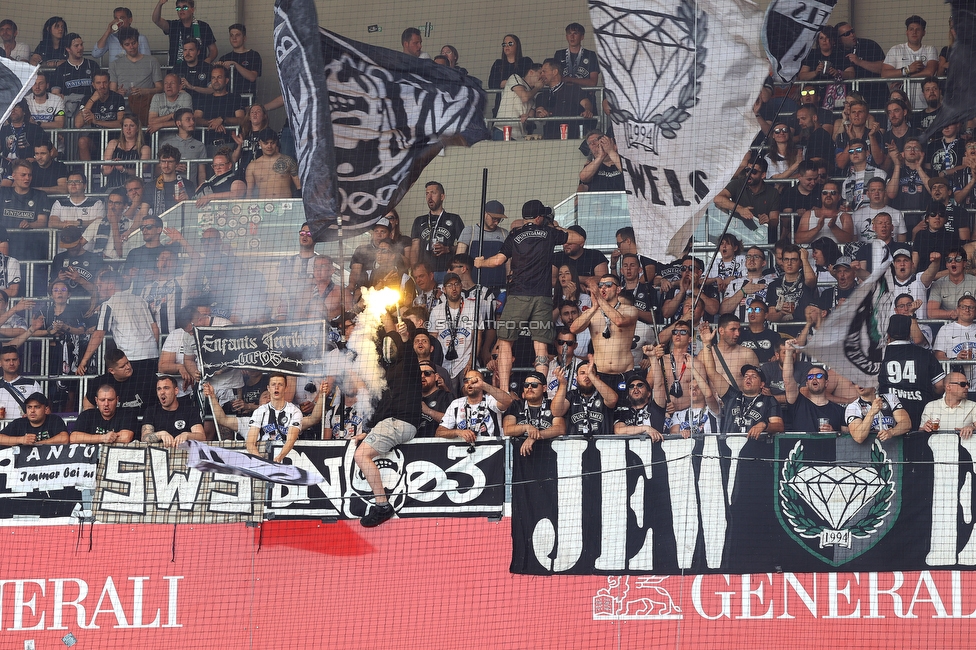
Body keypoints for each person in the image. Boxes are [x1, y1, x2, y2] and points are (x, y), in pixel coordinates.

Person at [475, 200, 583, 394]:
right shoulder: (550, 233)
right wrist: (556, 227)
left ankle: (506, 390)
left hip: (517, 296)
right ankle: (540, 389)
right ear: (540, 217)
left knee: (506, 341)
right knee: (541, 346)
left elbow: (498, 261)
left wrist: (481, 263)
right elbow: (579, 238)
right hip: (542, 297)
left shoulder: (515, 234)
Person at [354, 316, 422, 527]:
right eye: (385, 345)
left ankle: (382, 505)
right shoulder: (386, 373)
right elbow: (383, 407)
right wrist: (370, 432)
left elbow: (410, 355)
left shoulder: (408, 365)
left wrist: (405, 339)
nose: (387, 348)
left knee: (361, 455)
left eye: (392, 345)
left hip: (400, 422)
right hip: (393, 423)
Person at [77, 270, 159, 386]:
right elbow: (155, 328)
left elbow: (98, 334)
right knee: (149, 394)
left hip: (129, 360)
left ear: (110, 285)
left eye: (100, 286)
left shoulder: (109, 304)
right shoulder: (141, 300)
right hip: (152, 356)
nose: (98, 289)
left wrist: (84, 361)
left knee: (131, 397)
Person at [569, 274, 638, 391]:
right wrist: (594, 308)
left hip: (624, 373)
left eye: (608, 285)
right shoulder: (593, 312)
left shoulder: (630, 309)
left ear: (618, 289)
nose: (603, 288)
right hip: (600, 374)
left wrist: (599, 299)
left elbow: (619, 321)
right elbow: (574, 329)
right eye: (600, 286)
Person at [878, 314, 946, 429]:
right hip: (921, 414)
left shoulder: (878, 355)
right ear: (910, 333)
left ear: (888, 334)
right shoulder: (924, 354)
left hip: (889, 416)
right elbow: (940, 386)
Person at [429, 272, 493, 391]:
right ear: (443, 289)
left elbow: (478, 337)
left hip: (466, 362)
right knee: (446, 395)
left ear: (461, 286)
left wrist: (471, 361)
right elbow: (433, 341)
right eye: (449, 285)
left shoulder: (473, 307)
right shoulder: (436, 311)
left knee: (469, 389)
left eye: (456, 284)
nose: (453, 288)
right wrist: (435, 366)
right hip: (444, 364)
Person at [782, 340, 847, 433]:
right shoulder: (798, 403)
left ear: (826, 383)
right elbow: (788, 381)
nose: (814, 379)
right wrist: (788, 352)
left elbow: (847, 440)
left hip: (827, 447)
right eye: (810, 377)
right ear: (807, 383)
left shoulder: (839, 410)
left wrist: (834, 433)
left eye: (819, 376)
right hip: (802, 447)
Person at [714, 157, 780, 244]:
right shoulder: (737, 184)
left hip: (761, 239)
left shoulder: (772, 192)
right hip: (736, 237)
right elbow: (717, 198)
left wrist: (768, 221)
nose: (749, 174)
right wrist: (740, 209)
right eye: (747, 170)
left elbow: (775, 221)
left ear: (763, 175)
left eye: (753, 171)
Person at [436, 369, 513, 441]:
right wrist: (458, 432)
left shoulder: (490, 400)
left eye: (474, 381)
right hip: (463, 450)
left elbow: (508, 400)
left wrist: (483, 385)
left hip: (491, 449)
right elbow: (439, 433)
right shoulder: (456, 404)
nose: (469, 383)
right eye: (466, 381)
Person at [881, 16, 939, 111]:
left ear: (924, 32)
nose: (914, 32)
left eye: (918, 29)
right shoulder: (896, 49)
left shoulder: (930, 49)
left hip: (924, 106)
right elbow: (884, 74)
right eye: (911, 29)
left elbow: (930, 72)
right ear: (907, 32)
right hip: (900, 108)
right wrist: (907, 69)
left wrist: (905, 77)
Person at [503, 370, 566, 455]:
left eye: (534, 385)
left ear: (544, 388)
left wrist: (535, 436)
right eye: (526, 385)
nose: (529, 388)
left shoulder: (551, 405)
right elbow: (507, 430)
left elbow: (560, 428)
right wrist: (526, 427)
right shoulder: (516, 405)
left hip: (547, 457)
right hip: (520, 459)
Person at [409, 181, 463, 280]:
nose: (429, 197)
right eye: (427, 194)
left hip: (446, 271)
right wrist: (414, 272)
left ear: (442, 197)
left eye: (433, 193)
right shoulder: (419, 220)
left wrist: (448, 249)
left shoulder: (454, 219)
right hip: (425, 273)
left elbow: (464, 247)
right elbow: (415, 249)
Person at [108, 28, 162, 124]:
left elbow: (160, 88)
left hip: (146, 107)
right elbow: (111, 91)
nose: (131, 47)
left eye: (133, 43)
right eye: (127, 44)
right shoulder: (115, 64)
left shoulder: (152, 61)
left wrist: (145, 91)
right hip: (123, 108)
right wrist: (117, 93)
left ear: (138, 42)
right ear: (122, 46)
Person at [245, 371, 302, 459]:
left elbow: (291, 440)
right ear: (268, 388)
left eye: (280, 384)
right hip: (264, 454)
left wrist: (279, 458)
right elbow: (250, 443)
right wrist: (261, 460)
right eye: (273, 384)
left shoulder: (295, 411)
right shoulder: (259, 411)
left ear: (286, 388)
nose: (276, 387)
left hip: (288, 456)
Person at [552, 361, 618, 436]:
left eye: (591, 373)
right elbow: (556, 412)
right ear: (577, 378)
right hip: (574, 444)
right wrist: (563, 384)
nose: (587, 376)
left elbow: (612, 400)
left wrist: (592, 377)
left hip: (601, 444)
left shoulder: (604, 395)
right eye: (582, 373)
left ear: (597, 377)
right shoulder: (572, 395)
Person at [534, 58, 594, 140]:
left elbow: (586, 103)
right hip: (548, 140)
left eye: (544, 71)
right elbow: (538, 112)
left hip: (572, 139)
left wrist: (587, 110)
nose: (541, 75)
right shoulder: (541, 96)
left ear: (555, 72)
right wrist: (539, 114)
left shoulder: (572, 89)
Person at [75, 71, 125, 162]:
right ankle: (87, 174)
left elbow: (121, 123)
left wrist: (97, 121)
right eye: (98, 83)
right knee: (82, 141)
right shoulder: (87, 98)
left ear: (109, 83)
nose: (102, 86)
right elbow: (78, 124)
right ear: (93, 85)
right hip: (95, 137)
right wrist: (92, 100)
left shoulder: (117, 98)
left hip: (115, 137)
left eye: (105, 82)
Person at [836, 22, 887, 110]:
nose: (852, 35)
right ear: (839, 39)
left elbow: (884, 68)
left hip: (875, 97)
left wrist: (859, 62)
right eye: (847, 34)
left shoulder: (870, 45)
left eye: (852, 31)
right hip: (847, 102)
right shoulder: (836, 52)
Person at [141, 375, 205, 445]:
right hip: (159, 454)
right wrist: (160, 434)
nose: (162, 392)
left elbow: (201, 436)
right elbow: (144, 438)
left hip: (185, 453)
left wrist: (187, 435)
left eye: (166, 388)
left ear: (176, 391)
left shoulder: (189, 410)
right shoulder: (151, 411)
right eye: (159, 389)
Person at [193, 67, 245, 151]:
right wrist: (212, 123)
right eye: (213, 78)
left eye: (219, 77)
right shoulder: (203, 98)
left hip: (230, 144)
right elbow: (195, 119)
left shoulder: (235, 97)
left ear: (226, 80)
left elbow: (241, 119)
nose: (216, 80)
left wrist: (222, 119)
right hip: (206, 145)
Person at [152, 0, 217, 66]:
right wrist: (160, 4)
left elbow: (213, 50)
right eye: (178, 8)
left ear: (192, 10)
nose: (181, 10)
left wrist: (206, 62)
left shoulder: (203, 26)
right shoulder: (173, 25)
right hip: (176, 70)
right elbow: (156, 20)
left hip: (199, 69)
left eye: (185, 7)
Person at [846, 382, 912, 443]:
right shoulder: (853, 407)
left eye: (863, 381)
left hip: (893, 449)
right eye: (855, 382)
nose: (859, 385)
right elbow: (858, 437)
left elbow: (906, 423)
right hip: (868, 451)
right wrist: (872, 412)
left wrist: (891, 432)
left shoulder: (890, 398)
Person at [70, 384, 137, 444]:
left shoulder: (127, 413)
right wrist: (103, 438)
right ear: (96, 400)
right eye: (102, 400)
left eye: (110, 400)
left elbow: (126, 437)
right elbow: (73, 438)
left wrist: (91, 438)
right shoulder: (87, 415)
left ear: (117, 400)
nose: (106, 404)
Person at [101, 114, 151, 191]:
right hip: (113, 187)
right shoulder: (113, 143)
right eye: (125, 126)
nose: (128, 129)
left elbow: (141, 171)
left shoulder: (144, 148)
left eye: (132, 126)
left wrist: (123, 169)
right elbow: (104, 170)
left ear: (137, 128)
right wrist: (106, 171)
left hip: (133, 190)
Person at [612, 369, 667, 440]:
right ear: (628, 395)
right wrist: (646, 428)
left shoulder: (655, 407)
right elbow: (618, 431)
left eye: (640, 385)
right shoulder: (623, 412)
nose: (635, 388)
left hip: (655, 449)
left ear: (649, 393)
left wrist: (653, 359)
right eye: (631, 386)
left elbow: (660, 385)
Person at [934, 295, 976, 387]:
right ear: (957, 309)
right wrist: (956, 360)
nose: (967, 310)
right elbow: (938, 357)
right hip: (955, 385)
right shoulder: (945, 329)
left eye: (971, 307)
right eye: (963, 307)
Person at [159, 108, 206, 189]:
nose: (192, 122)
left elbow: (202, 173)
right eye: (188, 119)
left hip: (191, 190)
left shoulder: (200, 145)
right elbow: (157, 170)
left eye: (193, 119)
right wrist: (172, 167)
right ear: (178, 123)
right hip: (168, 189)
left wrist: (200, 190)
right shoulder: (166, 144)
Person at [50, 226, 103, 298]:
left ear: (81, 239)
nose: (71, 249)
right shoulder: (59, 258)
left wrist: (80, 280)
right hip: (64, 306)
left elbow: (100, 292)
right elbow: (49, 290)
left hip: (88, 305)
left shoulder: (95, 258)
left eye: (73, 246)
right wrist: (58, 279)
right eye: (68, 246)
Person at [245, 129, 299, 199]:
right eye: (266, 143)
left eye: (272, 143)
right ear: (259, 143)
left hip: (285, 206)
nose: (269, 146)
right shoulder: (252, 166)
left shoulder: (288, 161)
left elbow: (299, 187)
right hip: (263, 206)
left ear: (276, 142)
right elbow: (249, 194)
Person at [920, 371, 976, 437]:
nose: (967, 387)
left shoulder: (973, 406)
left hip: (963, 446)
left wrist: (973, 428)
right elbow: (920, 434)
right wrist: (924, 429)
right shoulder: (931, 406)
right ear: (948, 387)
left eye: (968, 384)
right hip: (936, 446)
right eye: (962, 384)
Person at [0, 393, 68, 446]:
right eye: (29, 407)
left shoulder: (54, 420)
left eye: (37, 407)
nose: (32, 410)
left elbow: (65, 438)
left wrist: (39, 443)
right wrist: (21, 440)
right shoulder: (19, 423)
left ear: (46, 409)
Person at [852, 178, 907, 244]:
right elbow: (853, 242)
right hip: (865, 253)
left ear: (885, 193)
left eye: (880, 190)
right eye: (873, 190)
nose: (876, 193)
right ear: (867, 194)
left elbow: (901, 244)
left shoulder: (897, 213)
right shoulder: (856, 215)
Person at [0, 159, 49, 229]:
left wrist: (30, 225)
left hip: (30, 239)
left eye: (30, 175)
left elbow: (42, 222)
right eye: (23, 175)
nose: (27, 178)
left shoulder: (40, 196)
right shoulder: (3, 193)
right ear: (14, 176)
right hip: (4, 238)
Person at [0, 101, 44, 177]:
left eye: (16, 107)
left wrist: (36, 159)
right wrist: (4, 159)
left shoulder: (35, 129)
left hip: (29, 171)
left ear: (24, 111)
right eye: (11, 108)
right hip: (7, 170)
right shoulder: (3, 130)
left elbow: (51, 152)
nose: (13, 110)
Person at [216, 24, 262, 97]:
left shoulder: (253, 55)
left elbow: (252, 77)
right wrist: (218, 67)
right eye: (231, 35)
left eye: (237, 35)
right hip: (228, 99)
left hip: (247, 98)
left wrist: (235, 64)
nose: (234, 38)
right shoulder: (224, 58)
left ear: (244, 38)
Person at [0, 345, 40, 418]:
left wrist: (32, 415)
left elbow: (43, 409)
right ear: (0, 363)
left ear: (18, 361)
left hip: (25, 428)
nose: (11, 363)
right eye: (7, 360)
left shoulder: (32, 384)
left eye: (14, 359)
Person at [416, 360, 453, 438]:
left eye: (427, 373)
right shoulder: (412, 399)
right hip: (412, 444)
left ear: (436, 377)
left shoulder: (446, 397)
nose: (422, 376)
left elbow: (453, 421)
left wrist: (429, 411)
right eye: (419, 373)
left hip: (437, 444)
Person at [172, 38, 212, 102]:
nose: (187, 53)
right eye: (185, 50)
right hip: (181, 104)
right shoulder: (177, 68)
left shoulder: (207, 68)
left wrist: (192, 87)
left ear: (198, 52)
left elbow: (212, 90)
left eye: (191, 50)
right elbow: (170, 90)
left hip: (204, 103)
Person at [230, 104, 269, 171]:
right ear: (249, 117)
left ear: (264, 116)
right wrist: (239, 145)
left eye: (258, 111)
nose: (255, 114)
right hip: (244, 171)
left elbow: (275, 156)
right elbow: (234, 159)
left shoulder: (269, 134)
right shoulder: (243, 135)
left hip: (264, 171)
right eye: (252, 112)